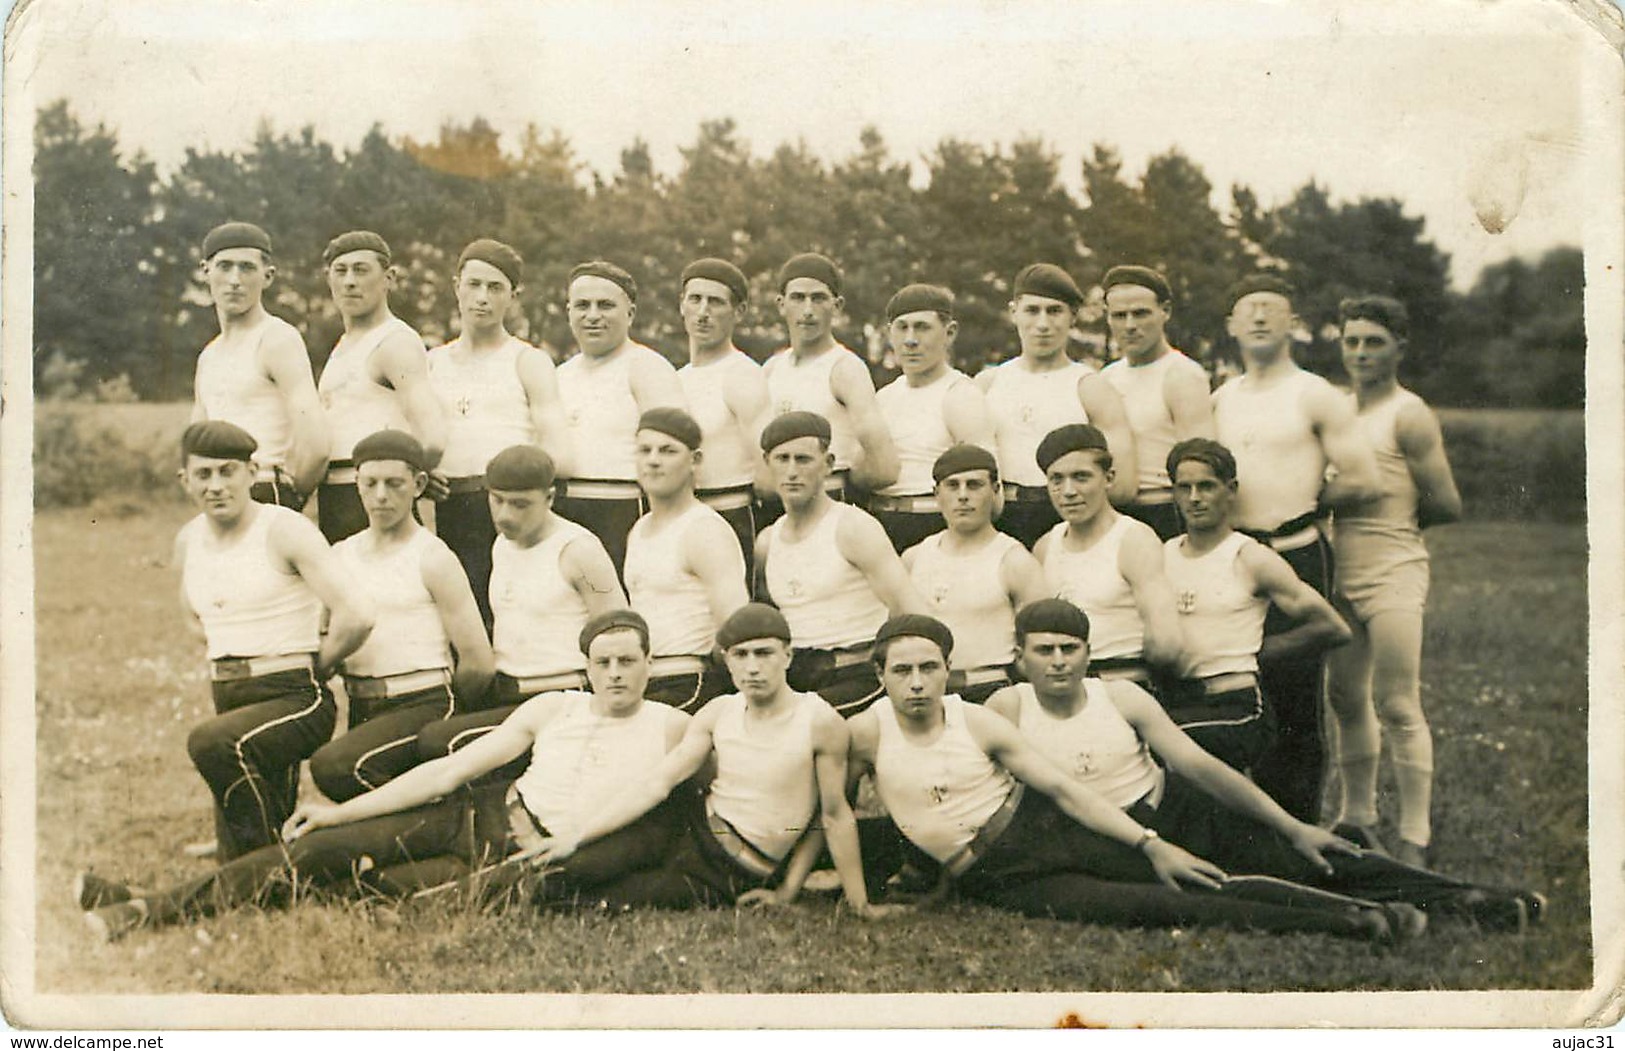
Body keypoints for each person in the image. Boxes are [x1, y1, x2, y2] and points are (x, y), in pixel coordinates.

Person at [77, 610, 692, 941]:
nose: (615, 674)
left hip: (512, 856)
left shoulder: (676, 728)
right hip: (473, 814)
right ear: (585, 667)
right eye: (603, 662)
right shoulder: (553, 705)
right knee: (316, 848)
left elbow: (671, 804)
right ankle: (144, 911)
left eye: (628, 662)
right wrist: (339, 811)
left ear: (649, 664)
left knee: (374, 893)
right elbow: (449, 770)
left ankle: (153, 906)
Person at [845, 614, 1429, 942]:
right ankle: (1358, 922)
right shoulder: (863, 734)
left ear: (949, 671)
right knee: (1151, 908)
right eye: (902, 670)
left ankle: (1390, 912)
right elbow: (837, 812)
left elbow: (1061, 790)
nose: (917, 681)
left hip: (1044, 831)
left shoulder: (977, 720)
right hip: (1001, 877)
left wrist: (1152, 844)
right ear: (881, 675)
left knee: (1194, 880)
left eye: (928, 668)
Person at [985, 599, 1544, 934]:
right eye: (1044, 650)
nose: (1058, 661)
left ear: (1088, 652)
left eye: (1069, 649)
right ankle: (1376, 920)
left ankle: (1477, 900)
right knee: (1234, 889)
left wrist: (1292, 824)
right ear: (1019, 657)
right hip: (1112, 843)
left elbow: (1199, 767)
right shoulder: (1006, 709)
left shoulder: (1122, 698)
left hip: (1175, 811)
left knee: (1311, 856)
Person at [529, 604, 894, 918]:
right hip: (682, 826)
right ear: (727, 661)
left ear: (788, 656)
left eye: (763, 653)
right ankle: (486, 884)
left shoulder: (819, 720)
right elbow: (659, 783)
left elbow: (831, 815)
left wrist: (799, 891)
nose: (752, 667)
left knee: (593, 901)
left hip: (727, 868)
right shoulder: (719, 711)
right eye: (740, 655)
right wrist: (577, 836)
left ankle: (512, 893)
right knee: (568, 865)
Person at [1212, 272, 1381, 822]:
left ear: (1295, 324)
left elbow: (1361, 477)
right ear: (1232, 325)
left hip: (1296, 550)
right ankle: (1241, 818)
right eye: (1249, 308)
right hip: (1232, 557)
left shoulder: (1315, 394)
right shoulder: (1220, 399)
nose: (1259, 317)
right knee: (1232, 679)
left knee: (1295, 693)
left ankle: (1299, 823)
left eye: (1272, 308)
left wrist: (1303, 501)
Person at [170, 421, 374, 861]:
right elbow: (194, 618)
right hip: (229, 691)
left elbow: (356, 615)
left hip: (295, 696)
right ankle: (258, 862)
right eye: (203, 475)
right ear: (185, 480)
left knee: (212, 743)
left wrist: (319, 665)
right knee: (248, 841)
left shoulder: (284, 529)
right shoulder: (188, 540)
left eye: (228, 472)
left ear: (252, 472)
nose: (217, 485)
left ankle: (267, 868)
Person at [1327, 296, 1463, 867]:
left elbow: (1447, 504)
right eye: (1352, 341)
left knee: (1397, 701)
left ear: (1399, 348)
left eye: (1374, 342)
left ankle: (1415, 836)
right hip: (1339, 567)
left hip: (1393, 568)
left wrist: (1394, 527)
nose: (1360, 353)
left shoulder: (1408, 414)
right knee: (1343, 697)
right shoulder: (1332, 408)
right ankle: (1358, 817)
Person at [307, 430, 494, 803]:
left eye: (394, 484)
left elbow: (479, 663)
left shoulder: (432, 557)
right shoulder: (341, 555)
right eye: (370, 483)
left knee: (336, 767)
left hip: (422, 703)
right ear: (356, 484)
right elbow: (324, 636)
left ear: (418, 484)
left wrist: (440, 708)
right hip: (363, 704)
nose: (381, 496)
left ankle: (442, 820)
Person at [414, 444, 626, 765]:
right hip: (509, 696)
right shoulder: (502, 544)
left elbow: (620, 631)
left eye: (520, 505)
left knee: (440, 744)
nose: (505, 515)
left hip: (563, 697)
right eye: (496, 500)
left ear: (550, 498)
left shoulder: (579, 550)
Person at [1162, 438, 1352, 775]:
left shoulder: (1251, 557)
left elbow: (1333, 627)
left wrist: (1258, 653)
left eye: (1206, 486)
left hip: (1233, 704)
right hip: (1178, 700)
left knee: (1161, 743)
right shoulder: (1161, 555)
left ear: (1230, 489)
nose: (1194, 498)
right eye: (1184, 488)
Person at [427, 238, 573, 632]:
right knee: (456, 619)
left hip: (509, 510)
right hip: (448, 512)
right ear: (456, 285)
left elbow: (558, 450)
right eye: (473, 285)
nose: (482, 298)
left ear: (513, 296)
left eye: (495, 288)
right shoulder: (432, 362)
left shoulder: (527, 360)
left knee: (512, 617)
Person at [755, 412, 928, 714]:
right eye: (782, 459)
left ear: (829, 464)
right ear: (768, 464)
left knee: (801, 725)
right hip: (796, 680)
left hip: (856, 676)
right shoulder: (768, 541)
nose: (792, 471)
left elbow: (910, 610)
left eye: (803, 459)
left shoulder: (852, 527)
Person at [977, 263, 1138, 547]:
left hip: (1069, 521)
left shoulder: (1090, 387)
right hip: (999, 520)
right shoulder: (988, 383)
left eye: (1054, 311)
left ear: (1072, 317)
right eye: (1032, 310)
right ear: (1014, 312)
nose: (1042, 324)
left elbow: (1122, 486)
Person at [554, 260, 688, 578]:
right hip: (564, 511)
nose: (593, 316)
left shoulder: (646, 367)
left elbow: (677, 452)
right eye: (583, 306)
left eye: (606, 306)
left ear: (629, 313)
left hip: (626, 510)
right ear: (569, 312)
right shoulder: (559, 374)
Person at [316, 230, 447, 543]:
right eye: (341, 271)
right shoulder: (344, 346)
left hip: (376, 498)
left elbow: (433, 436)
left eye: (361, 270)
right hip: (337, 498)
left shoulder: (395, 342)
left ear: (388, 278)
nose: (349, 281)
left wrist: (412, 476)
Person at [1032, 424, 1183, 689]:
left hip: (1123, 680)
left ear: (1109, 478)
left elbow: (1166, 644)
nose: (1068, 491)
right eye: (1057, 479)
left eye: (1081, 477)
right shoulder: (1045, 546)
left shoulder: (1134, 540)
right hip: (1064, 689)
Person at [190, 221, 328, 509]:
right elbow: (196, 443)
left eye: (247, 268)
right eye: (225, 266)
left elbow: (315, 444)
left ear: (268, 276)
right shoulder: (209, 355)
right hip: (218, 494)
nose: (235, 280)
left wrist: (291, 499)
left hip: (266, 489)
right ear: (206, 271)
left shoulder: (277, 339)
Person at [624, 408, 750, 712]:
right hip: (643, 683)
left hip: (691, 682)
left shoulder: (704, 529)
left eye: (667, 451)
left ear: (694, 460)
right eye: (645, 450)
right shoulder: (639, 529)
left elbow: (736, 628)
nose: (653, 459)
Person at [901, 444, 1047, 703]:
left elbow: (1039, 650)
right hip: (925, 694)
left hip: (990, 691)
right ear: (937, 494)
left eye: (974, 485)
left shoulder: (1014, 560)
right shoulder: (914, 557)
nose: (963, 496)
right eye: (952, 485)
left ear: (995, 491)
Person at [870, 284, 996, 554]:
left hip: (935, 525)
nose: (910, 340)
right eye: (901, 327)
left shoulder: (961, 395)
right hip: (881, 526)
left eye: (922, 327)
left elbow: (990, 497)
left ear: (949, 333)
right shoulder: (884, 397)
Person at [763, 252, 900, 500]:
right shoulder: (772, 368)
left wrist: (843, 484)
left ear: (836, 306)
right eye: (798, 298)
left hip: (831, 496)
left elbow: (885, 467)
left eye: (818, 299)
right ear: (781, 304)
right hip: (782, 502)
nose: (807, 310)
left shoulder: (845, 368)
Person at [1098, 265, 1216, 540]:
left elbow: (1202, 462)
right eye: (1119, 316)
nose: (1130, 325)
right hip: (1116, 513)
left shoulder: (1182, 375)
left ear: (1165, 312)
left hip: (1168, 512)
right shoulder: (1107, 377)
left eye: (1141, 313)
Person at [675, 258, 772, 572]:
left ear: (738, 312)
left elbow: (768, 472)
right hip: (680, 517)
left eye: (715, 302)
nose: (703, 312)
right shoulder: (677, 377)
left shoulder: (742, 374)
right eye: (695, 300)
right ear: (682, 305)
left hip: (731, 513)